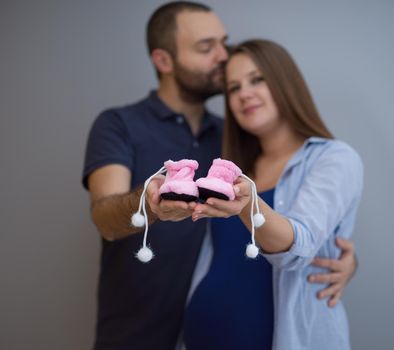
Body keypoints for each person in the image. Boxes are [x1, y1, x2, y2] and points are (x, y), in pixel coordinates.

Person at [82, 2, 357, 349]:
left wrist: (340, 253)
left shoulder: (231, 144)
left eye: (223, 42)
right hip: (137, 331)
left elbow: (296, 225)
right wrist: (149, 204)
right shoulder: (120, 125)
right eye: (206, 47)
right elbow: (105, 219)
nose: (223, 55)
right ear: (164, 61)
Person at [182, 39, 363, 350]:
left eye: (257, 80)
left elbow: (300, 246)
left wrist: (250, 205)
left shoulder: (334, 159)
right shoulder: (230, 169)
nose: (244, 94)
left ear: (284, 83)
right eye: (234, 88)